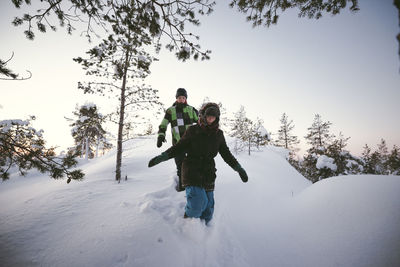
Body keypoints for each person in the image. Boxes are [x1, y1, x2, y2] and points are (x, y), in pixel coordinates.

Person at [148, 102, 248, 224]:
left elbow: (226, 154)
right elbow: (179, 147)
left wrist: (239, 169)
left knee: (208, 210)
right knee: (198, 203)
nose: (211, 118)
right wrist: (162, 157)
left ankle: (204, 234)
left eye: (214, 116)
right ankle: (187, 223)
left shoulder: (218, 134)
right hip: (192, 170)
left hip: (208, 172)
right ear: (203, 115)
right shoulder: (193, 130)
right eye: (208, 115)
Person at [157, 88, 199, 192]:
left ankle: (193, 185)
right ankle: (182, 185)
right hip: (178, 143)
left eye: (183, 97)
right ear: (176, 98)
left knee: (192, 164)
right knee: (180, 165)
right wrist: (161, 135)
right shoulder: (171, 110)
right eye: (179, 97)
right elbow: (164, 123)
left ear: (186, 98)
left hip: (191, 143)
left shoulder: (191, 109)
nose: (181, 99)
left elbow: (200, 122)